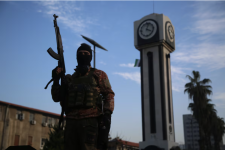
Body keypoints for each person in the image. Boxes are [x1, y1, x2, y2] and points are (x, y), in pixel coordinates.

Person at [51, 43, 115, 150]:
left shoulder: (98, 74)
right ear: (76, 57)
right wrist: (56, 80)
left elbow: (109, 94)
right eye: (80, 53)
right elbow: (56, 97)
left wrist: (107, 114)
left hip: (90, 121)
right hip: (71, 122)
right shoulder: (71, 78)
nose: (83, 55)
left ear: (90, 57)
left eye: (86, 53)